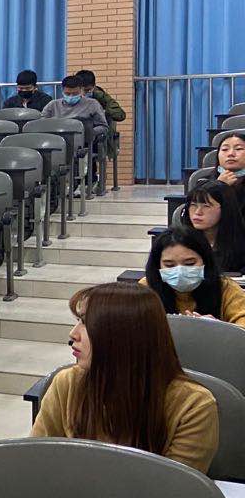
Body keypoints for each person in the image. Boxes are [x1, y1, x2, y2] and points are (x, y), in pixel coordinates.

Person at [31, 283, 218, 474]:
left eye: (86, 323)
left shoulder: (194, 405)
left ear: (123, 335)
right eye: (78, 320)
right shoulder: (67, 382)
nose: (73, 334)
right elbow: (35, 461)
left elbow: (173, 487)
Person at [141, 226, 245, 326]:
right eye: (169, 265)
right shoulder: (145, 288)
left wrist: (220, 329)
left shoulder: (226, 288)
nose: (180, 271)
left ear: (205, 261)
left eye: (189, 263)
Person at [185, 180, 245, 273]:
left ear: (225, 209)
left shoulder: (241, 243)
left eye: (206, 206)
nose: (197, 212)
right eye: (193, 205)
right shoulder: (182, 241)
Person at [42, 73, 107, 140]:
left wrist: (90, 132)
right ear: (62, 91)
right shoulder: (52, 105)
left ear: (81, 90)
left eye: (75, 93)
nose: (71, 96)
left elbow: (103, 126)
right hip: (57, 140)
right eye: (67, 94)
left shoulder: (92, 104)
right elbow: (41, 124)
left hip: (83, 140)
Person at [216, 133, 245, 204]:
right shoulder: (204, 182)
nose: (231, 154)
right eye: (225, 149)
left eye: (238, 149)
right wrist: (218, 187)